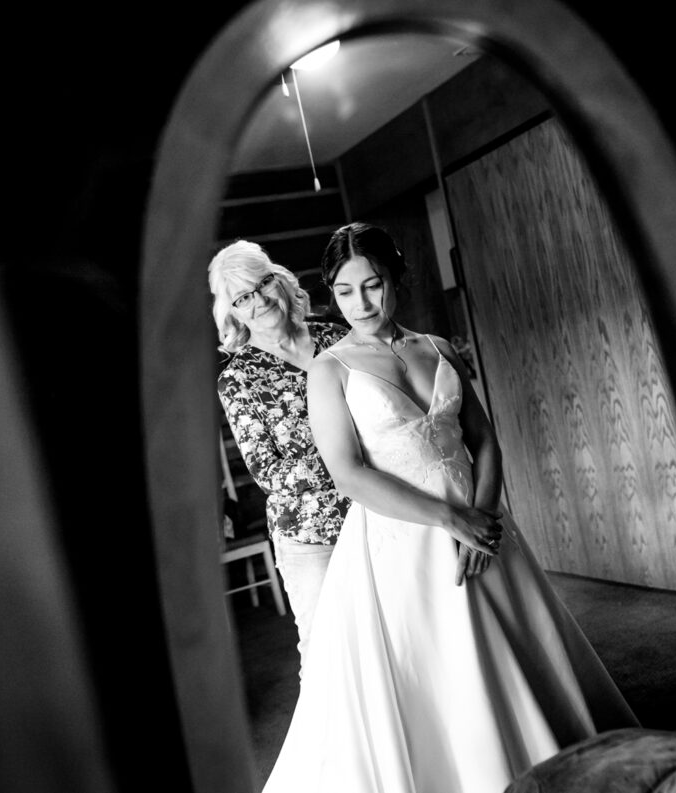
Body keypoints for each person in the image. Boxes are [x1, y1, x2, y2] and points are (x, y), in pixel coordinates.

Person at [262, 223, 638, 793]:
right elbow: (348, 473)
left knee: (517, 649)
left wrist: (480, 520)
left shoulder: (437, 348)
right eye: (344, 291)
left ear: (398, 279)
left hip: (482, 525)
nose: (361, 303)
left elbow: (483, 441)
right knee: (435, 671)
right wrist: (448, 519)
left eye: (374, 284)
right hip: (402, 541)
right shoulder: (329, 368)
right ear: (330, 294)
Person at [209, 240, 350, 674]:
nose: (259, 300)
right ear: (231, 311)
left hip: (383, 512)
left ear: (280, 281)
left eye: (263, 283)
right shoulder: (238, 379)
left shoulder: (336, 336)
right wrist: (351, 462)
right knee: (327, 651)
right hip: (311, 533)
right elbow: (268, 470)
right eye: (242, 297)